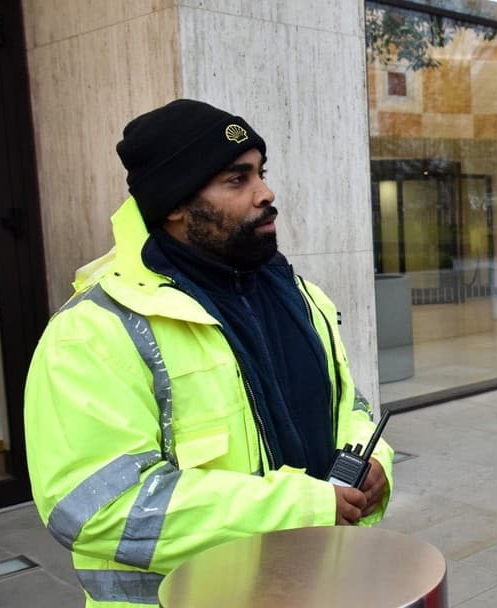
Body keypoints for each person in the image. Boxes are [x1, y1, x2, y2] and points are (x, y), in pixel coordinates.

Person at [24, 99, 394, 608]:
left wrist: (372, 463)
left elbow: (349, 407)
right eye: (237, 180)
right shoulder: (92, 331)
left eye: (261, 173)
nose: (266, 193)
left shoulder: (301, 297)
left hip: (317, 585)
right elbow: (97, 509)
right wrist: (304, 508)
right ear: (174, 204)